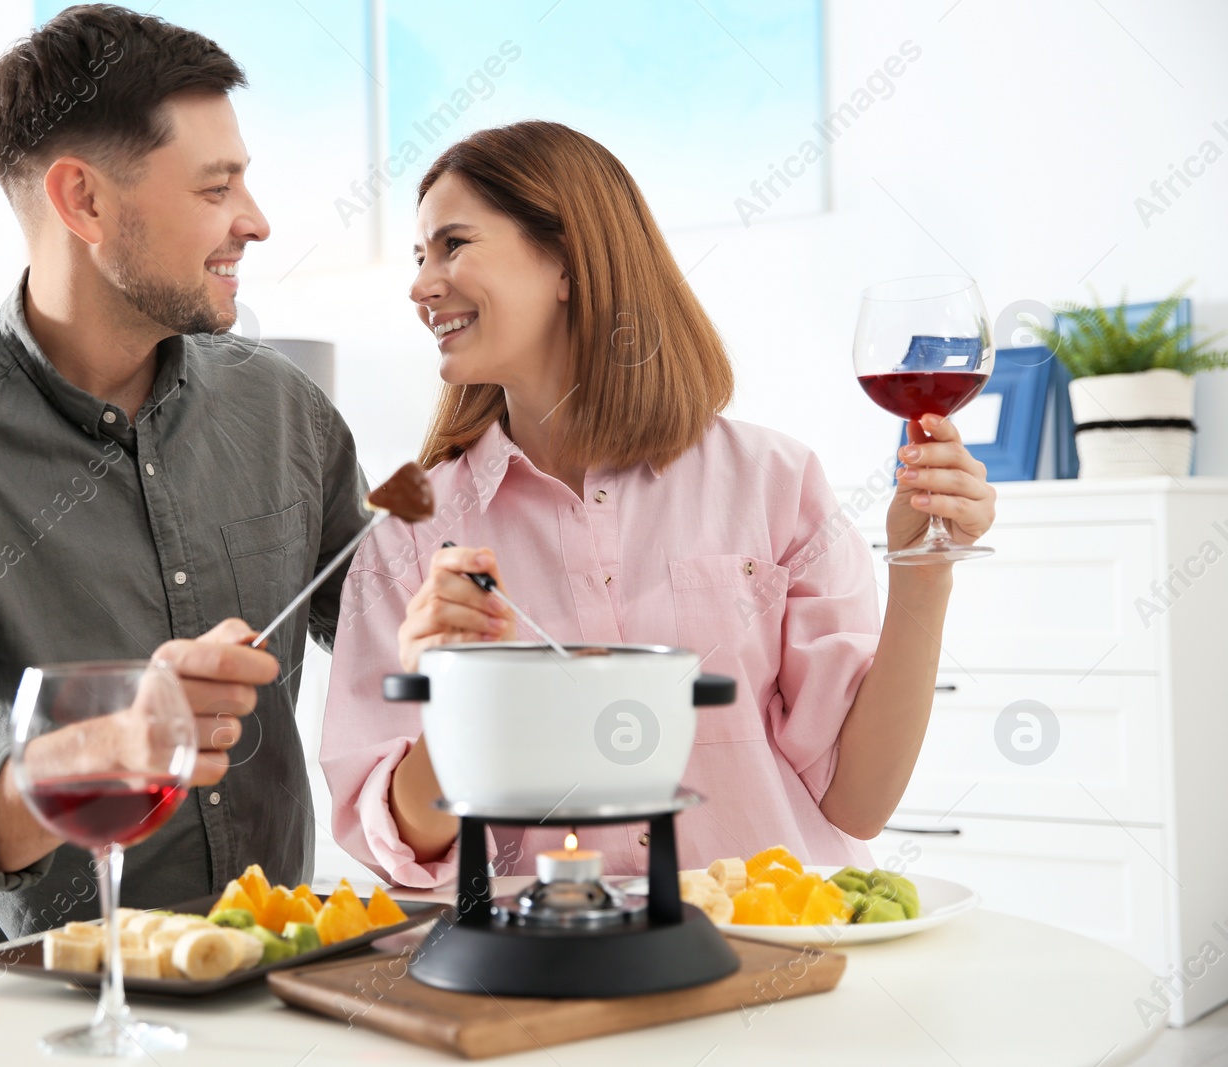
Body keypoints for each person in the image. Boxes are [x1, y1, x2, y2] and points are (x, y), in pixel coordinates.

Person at [0, 5, 368, 993]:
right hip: (19, 1004)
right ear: (84, 200)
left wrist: (447, 620)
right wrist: (106, 748)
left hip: (267, 980)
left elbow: (384, 639)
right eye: (216, 186)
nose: (256, 221)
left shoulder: (286, 414)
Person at [320, 121, 997, 887]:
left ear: (568, 262)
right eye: (417, 256)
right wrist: (461, 699)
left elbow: (858, 801)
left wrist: (923, 565)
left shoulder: (774, 481)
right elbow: (401, 852)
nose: (421, 284)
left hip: (776, 959)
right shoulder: (412, 537)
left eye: (453, 245)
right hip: (553, 977)